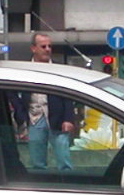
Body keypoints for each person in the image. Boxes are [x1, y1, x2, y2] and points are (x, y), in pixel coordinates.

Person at [11, 32, 76, 170]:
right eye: (43, 46)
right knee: (37, 162)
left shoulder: (59, 69)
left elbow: (68, 95)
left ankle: (69, 186)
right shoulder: (24, 70)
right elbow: (12, 92)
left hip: (57, 118)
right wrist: (21, 113)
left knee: (64, 160)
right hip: (34, 118)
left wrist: (68, 119)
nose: (47, 49)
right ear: (33, 48)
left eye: (50, 46)